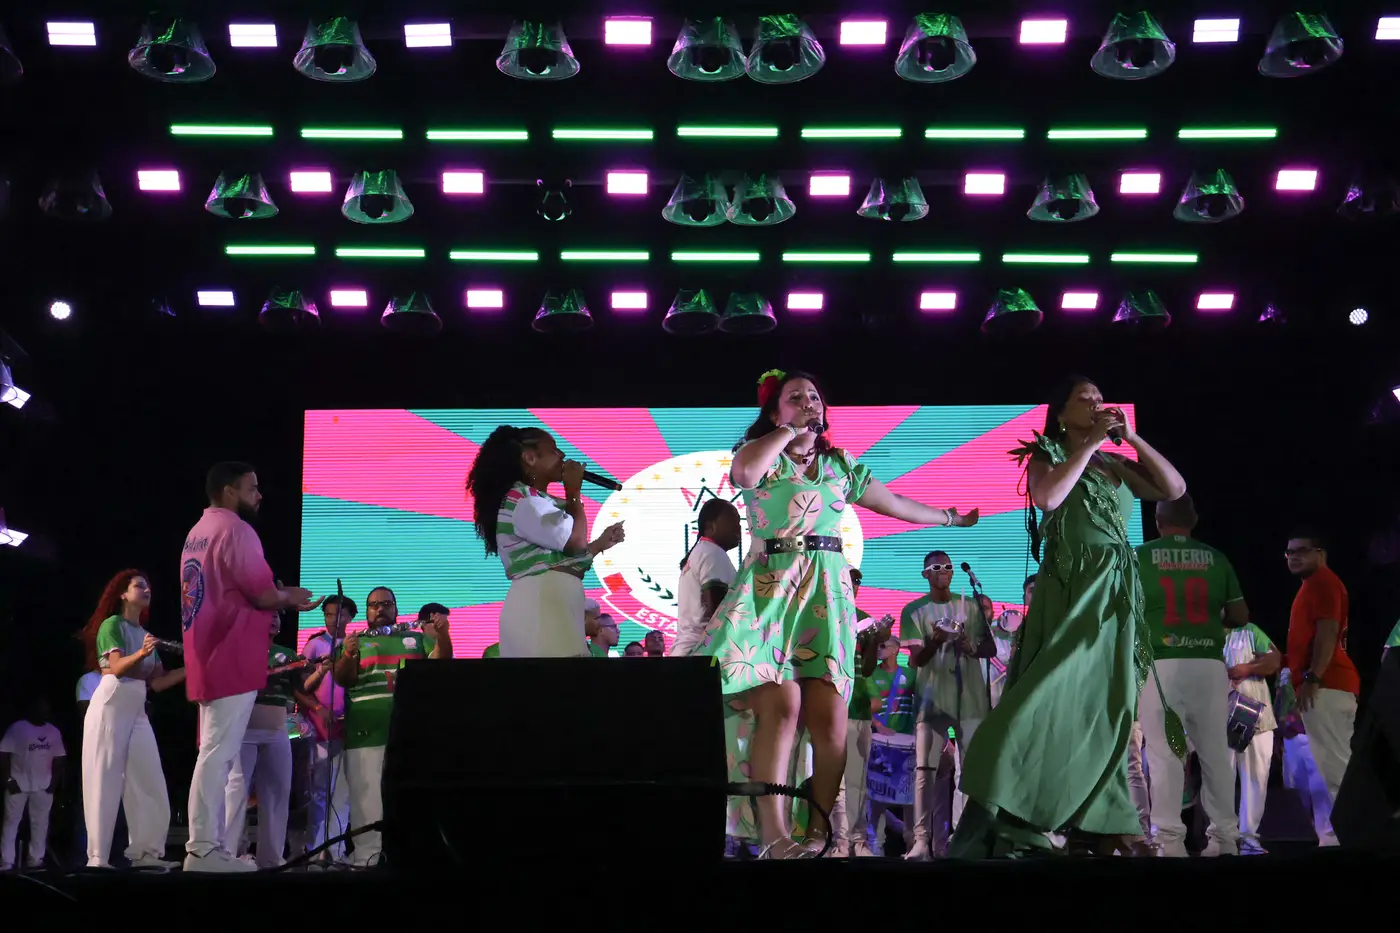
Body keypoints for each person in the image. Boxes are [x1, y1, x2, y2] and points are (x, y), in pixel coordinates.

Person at [698, 368, 979, 859]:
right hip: (770, 592)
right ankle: (774, 836)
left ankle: (817, 834)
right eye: (795, 397)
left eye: (814, 396)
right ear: (774, 411)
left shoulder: (840, 465)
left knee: (830, 723)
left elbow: (894, 503)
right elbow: (743, 475)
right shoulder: (762, 456)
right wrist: (789, 430)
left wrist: (949, 517)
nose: (809, 402)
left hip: (825, 595)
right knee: (781, 709)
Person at [951, 376, 1187, 858]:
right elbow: (1048, 498)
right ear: (1060, 414)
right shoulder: (1048, 454)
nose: (1097, 403)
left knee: (1108, 703)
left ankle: (1104, 821)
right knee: (1047, 696)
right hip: (1072, 587)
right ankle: (1009, 807)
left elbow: (1174, 487)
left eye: (1100, 397)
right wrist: (1091, 443)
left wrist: (1130, 437)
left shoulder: (1115, 463)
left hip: (1114, 589)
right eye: (1084, 398)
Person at [180, 462, 318, 873]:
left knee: (214, 753)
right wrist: (292, 596)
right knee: (217, 755)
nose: (259, 495)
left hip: (208, 653)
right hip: (232, 654)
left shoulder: (197, 532)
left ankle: (207, 847)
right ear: (229, 491)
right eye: (252, 488)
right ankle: (202, 849)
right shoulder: (236, 530)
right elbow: (262, 594)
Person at [1136, 494, 1246, 857]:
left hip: (1160, 664)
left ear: (1157, 522)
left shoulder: (1139, 557)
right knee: (1215, 753)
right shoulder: (1216, 558)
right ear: (1194, 520)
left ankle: (1169, 842)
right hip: (1208, 663)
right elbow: (1240, 615)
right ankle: (1225, 839)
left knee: (1164, 754)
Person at [466, 427, 625, 657]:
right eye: (554, 450)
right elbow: (576, 544)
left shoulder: (539, 501)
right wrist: (573, 490)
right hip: (540, 608)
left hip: (553, 606)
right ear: (530, 458)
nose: (562, 455)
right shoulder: (524, 501)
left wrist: (600, 544)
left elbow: (563, 562)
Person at [333, 587, 452, 868]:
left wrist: (443, 635)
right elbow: (343, 679)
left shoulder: (416, 639)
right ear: (367, 610)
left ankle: (410, 857)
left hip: (411, 731)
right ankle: (366, 858)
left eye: (386, 603)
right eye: (374, 604)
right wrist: (348, 655)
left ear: (396, 608)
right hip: (365, 730)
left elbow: (441, 666)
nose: (380, 608)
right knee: (366, 800)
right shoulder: (355, 642)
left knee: (412, 797)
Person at [78, 570, 186, 869]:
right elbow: (115, 667)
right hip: (112, 701)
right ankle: (97, 858)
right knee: (105, 779)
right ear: (123, 594)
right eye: (139, 585)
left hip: (137, 706)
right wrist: (142, 652)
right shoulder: (112, 625)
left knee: (150, 779)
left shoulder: (145, 634)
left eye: (148, 585)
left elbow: (159, 682)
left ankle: (146, 854)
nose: (146, 589)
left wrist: (193, 667)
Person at [899, 550, 996, 860]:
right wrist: (937, 641)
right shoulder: (914, 611)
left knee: (972, 770)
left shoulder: (971, 605)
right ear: (925, 574)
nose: (944, 570)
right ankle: (921, 841)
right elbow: (917, 660)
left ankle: (968, 837)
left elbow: (990, 648)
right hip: (932, 700)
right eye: (937, 567)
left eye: (948, 566)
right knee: (924, 770)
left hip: (970, 699)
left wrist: (969, 645)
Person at [1284, 528, 1358, 843]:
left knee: (1333, 768)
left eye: (1302, 550)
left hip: (1327, 684)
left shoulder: (1323, 582)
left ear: (1321, 553)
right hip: (1326, 684)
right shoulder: (1313, 585)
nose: (1294, 557)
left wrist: (1312, 676)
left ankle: (1352, 837)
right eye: (1289, 552)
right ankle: (1333, 837)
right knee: (1324, 767)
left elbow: (1328, 631)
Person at [222, 642, 305, 868]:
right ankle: (226, 854)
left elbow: (299, 689)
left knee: (277, 792)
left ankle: (271, 858)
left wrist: (310, 670)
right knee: (236, 792)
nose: (275, 623)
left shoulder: (287, 653)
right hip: (244, 731)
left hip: (277, 731)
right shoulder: (241, 646)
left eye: (278, 621)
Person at [300, 595, 355, 863]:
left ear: (351, 617)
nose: (334, 619)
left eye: (340, 614)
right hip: (320, 727)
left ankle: (336, 850)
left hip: (349, 727)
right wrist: (319, 710)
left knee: (342, 794)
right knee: (320, 792)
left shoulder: (356, 644)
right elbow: (299, 686)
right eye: (329, 614)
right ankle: (313, 850)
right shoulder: (315, 645)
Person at [1220, 619, 1281, 855]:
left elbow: (1274, 660)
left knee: (1256, 780)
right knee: (1220, 781)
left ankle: (1248, 838)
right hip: (1218, 720)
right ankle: (1223, 838)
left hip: (1257, 720)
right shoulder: (1204, 634)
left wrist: (1247, 668)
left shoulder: (1248, 631)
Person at [1, 699, 66, 871]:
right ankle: (7, 862)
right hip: (18, 784)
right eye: (41, 707)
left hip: (43, 786)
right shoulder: (17, 728)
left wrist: (53, 783)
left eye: (46, 708)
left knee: (41, 824)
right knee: (11, 823)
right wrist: (8, 780)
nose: (44, 711)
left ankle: (36, 860)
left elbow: (60, 758)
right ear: (32, 709)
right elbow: (3, 754)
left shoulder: (53, 731)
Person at [673, 499, 742, 658]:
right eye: (733, 520)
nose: (738, 527)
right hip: (702, 655)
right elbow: (716, 609)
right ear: (710, 526)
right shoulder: (712, 552)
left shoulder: (702, 551)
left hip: (689, 653)